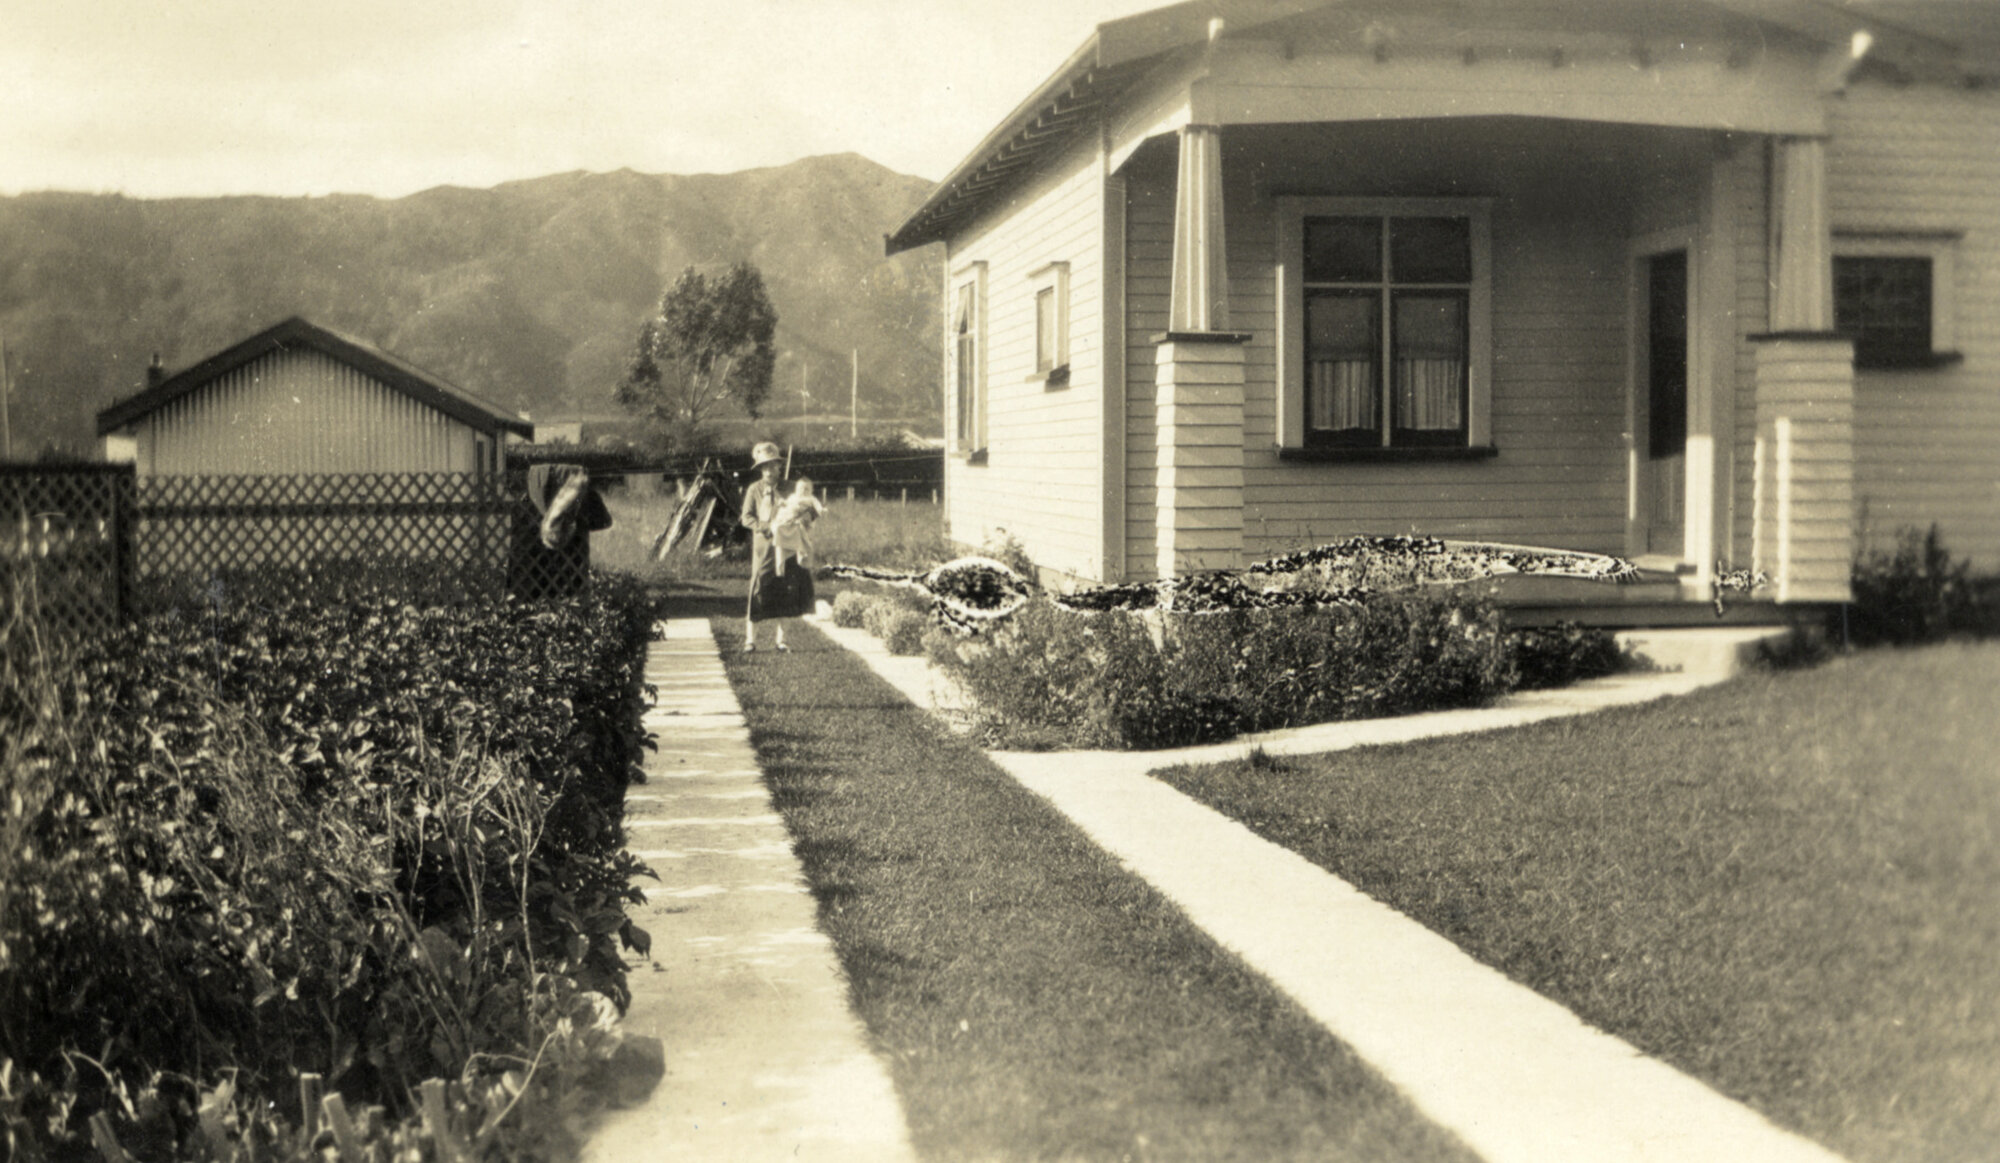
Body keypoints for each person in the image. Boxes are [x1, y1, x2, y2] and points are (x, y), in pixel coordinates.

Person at [740, 441, 816, 652]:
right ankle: (750, 641)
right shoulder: (754, 490)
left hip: (789, 546)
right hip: (764, 547)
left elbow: (809, 507)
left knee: (786, 589)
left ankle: (781, 641)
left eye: (774, 466)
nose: (770, 471)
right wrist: (765, 527)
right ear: (760, 469)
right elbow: (746, 517)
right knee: (758, 588)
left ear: (780, 467)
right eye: (765, 467)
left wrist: (803, 517)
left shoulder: (791, 488)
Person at [768, 476, 826, 577]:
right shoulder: (793, 497)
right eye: (801, 488)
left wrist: (821, 510)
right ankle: (780, 565)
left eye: (806, 489)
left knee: (802, 537)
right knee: (778, 529)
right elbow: (786, 504)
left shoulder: (811, 499)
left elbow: (818, 507)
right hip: (788, 519)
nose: (803, 491)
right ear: (796, 490)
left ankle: (801, 557)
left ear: (811, 491)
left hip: (801, 521)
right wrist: (782, 503)